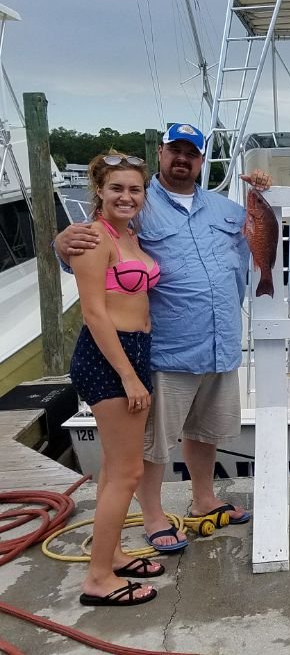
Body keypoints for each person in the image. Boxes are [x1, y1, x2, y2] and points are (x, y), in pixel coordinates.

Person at [57, 123, 271, 551]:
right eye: (175, 150)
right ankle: (153, 516)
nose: (182, 159)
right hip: (168, 347)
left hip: (221, 342)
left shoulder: (225, 209)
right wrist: (62, 244)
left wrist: (265, 194)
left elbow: (264, 236)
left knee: (204, 433)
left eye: (191, 153)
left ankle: (204, 499)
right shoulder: (137, 201)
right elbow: (89, 247)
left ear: (202, 160)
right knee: (155, 445)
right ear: (161, 152)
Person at [70, 151, 162, 606]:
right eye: (117, 189)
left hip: (135, 352)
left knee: (112, 469)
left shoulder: (129, 236)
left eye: (135, 189)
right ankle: (98, 579)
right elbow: (93, 313)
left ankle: (114, 553)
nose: (126, 197)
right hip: (110, 358)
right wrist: (128, 376)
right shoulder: (93, 239)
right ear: (99, 192)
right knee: (129, 471)